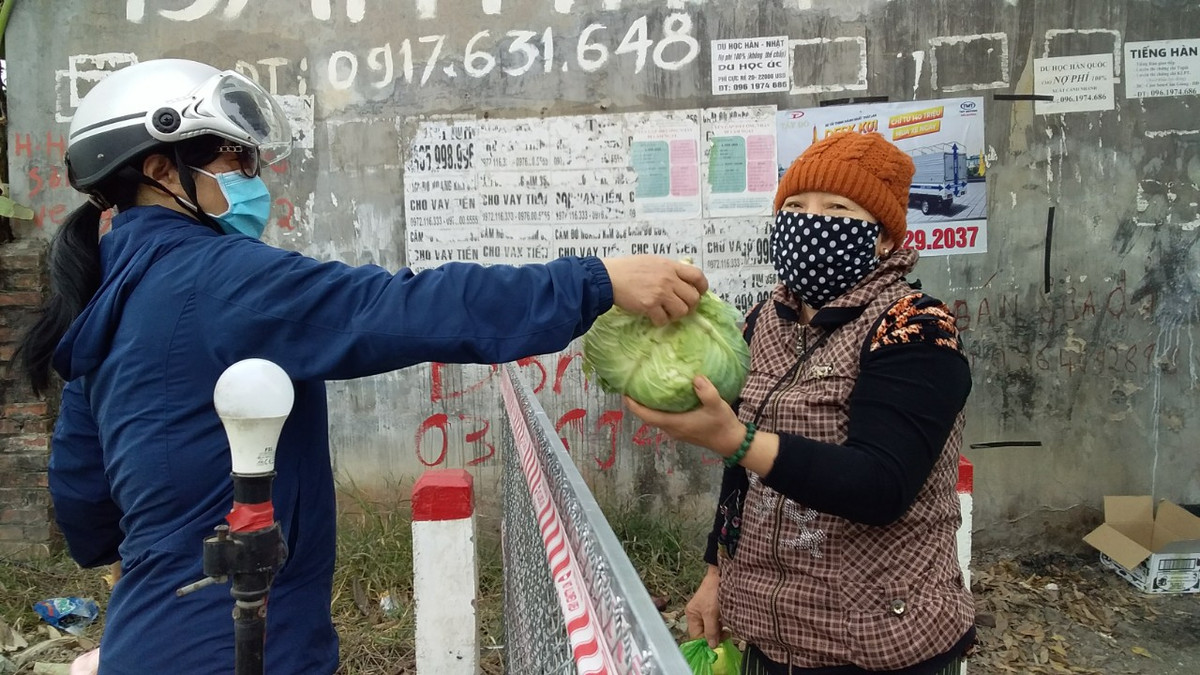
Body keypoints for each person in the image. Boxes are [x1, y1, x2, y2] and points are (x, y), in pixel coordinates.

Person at [15, 58, 707, 675]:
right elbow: (401, 308)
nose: (254, 179)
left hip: (145, 638)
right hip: (245, 642)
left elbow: (86, 520)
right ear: (160, 168)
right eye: (236, 160)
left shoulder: (103, 308)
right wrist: (594, 281)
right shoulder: (219, 279)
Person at [626, 132, 974, 674]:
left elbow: (881, 485)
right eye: (795, 207)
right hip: (770, 638)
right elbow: (743, 477)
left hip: (881, 643)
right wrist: (716, 573)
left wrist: (734, 439)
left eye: (837, 208)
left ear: (882, 237)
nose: (812, 221)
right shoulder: (762, 320)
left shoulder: (915, 328)